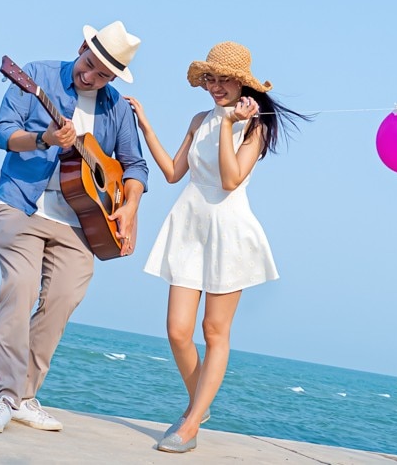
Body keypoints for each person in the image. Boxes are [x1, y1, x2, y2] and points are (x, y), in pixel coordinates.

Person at [125, 41, 312, 453]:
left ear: (241, 83)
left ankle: (190, 425)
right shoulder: (199, 118)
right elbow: (175, 173)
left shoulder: (255, 125)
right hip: (190, 223)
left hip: (228, 229)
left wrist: (230, 124)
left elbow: (230, 180)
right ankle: (199, 406)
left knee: (214, 331)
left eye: (221, 78)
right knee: (176, 331)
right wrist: (148, 129)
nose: (214, 86)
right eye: (209, 78)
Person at [0, 21, 148, 433]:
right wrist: (44, 139)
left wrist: (130, 205)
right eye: (89, 64)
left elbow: (134, 165)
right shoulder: (35, 76)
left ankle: (26, 395)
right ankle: (4, 397)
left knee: (63, 300)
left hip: (81, 221)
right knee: (19, 291)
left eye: (103, 74)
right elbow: (1, 134)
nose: (91, 76)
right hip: (22, 204)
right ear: (83, 46)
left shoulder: (116, 107)